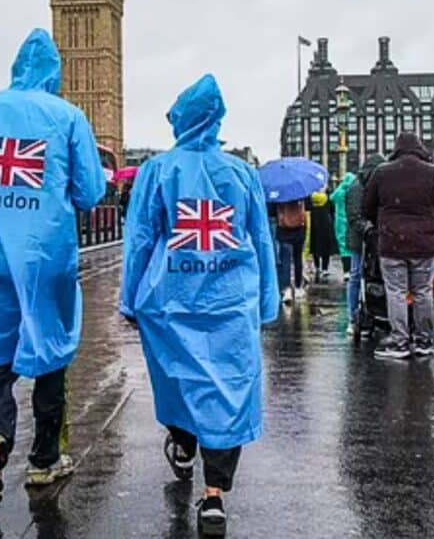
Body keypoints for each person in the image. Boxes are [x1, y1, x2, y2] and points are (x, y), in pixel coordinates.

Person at [120, 74, 279, 538]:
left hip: (171, 299)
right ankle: (214, 496)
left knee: (179, 379)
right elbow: (261, 240)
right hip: (230, 301)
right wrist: (267, 301)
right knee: (228, 390)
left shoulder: (157, 170)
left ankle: (184, 444)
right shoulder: (242, 172)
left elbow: (141, 241)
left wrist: (130, 298)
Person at [0, 28, 106, 506]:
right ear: (55, 74)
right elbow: (90, 191)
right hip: (46, 257)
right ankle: (44, 460)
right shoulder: (67, 116)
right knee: (51, 351)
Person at [362, 132, 434, 359]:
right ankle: (425, 340)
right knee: (423, 292)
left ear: (397, 149)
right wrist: (430, 226)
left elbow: (367, 208)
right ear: (419, 148)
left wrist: (385, 225)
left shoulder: (382, 172)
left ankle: (400, 341)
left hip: (392, 243)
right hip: (424, 243)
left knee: (396, 292)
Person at [344, 154, 385, 336]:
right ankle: (353, 317)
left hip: (374, 238)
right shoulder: (356, 188)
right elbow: (354, 217)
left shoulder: (370, 184)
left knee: (372, 276)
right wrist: (368, 228)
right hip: (359, 240)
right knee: (356, 276)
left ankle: (372, 314)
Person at [274, 198, 308, 303]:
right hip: (299, 230)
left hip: (283, 231)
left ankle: (287, 289)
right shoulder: (301, 194)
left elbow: (272, 213)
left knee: (285, 261)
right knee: (298, 259)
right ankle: (298, 288)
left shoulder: (279, 195)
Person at [331, 173, 356, 281]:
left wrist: (340, 186)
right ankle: (353, 269)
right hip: (352, 220)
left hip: (340, 222)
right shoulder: (353, 191)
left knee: (343, 246)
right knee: (353, 246)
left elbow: (331, 198)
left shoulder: (339, 192)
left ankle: (346, 271)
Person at [308, 191, 337, 283]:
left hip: (314, 223)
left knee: (315, 245)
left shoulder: (312, 199)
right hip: (325, 224)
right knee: (325, 247)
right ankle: (325, 268)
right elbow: (333, 210)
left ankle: (317, 267)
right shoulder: (326, 199)